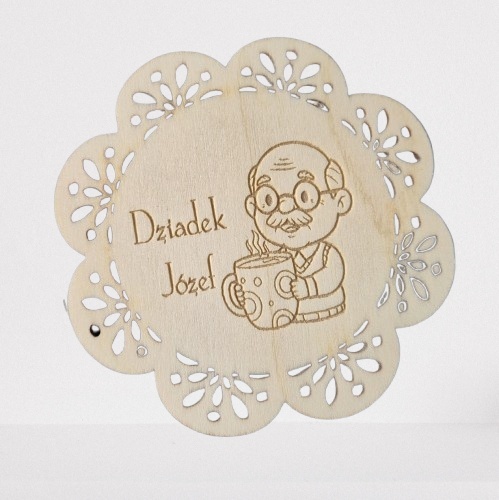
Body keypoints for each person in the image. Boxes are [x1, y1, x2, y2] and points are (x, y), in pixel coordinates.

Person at [237, 141, 352, 323]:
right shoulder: (277, 259)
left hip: (330, 315)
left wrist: (309, 287)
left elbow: (333, 275)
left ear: (340, 201)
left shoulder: (326, 254)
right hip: (289, 319)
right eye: (268, 199)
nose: (285, 207)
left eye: (304, 196)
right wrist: (246, 297)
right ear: (253, 207)